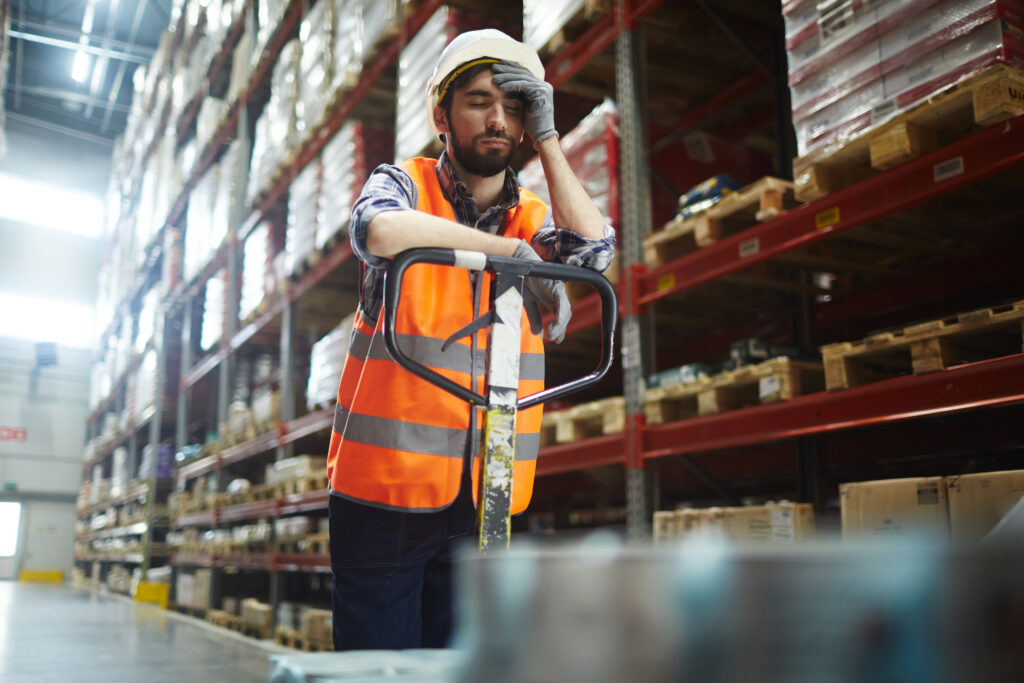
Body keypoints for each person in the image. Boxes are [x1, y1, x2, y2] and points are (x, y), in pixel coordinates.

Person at [325, 29, 616, 651]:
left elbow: (595, 251)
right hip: (383, 495)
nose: (496, 119)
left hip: (487, 497)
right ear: (441, 115)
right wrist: (506, 255)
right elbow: (375, 229)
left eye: (513, 107)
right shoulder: (403, 185)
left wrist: (547, 135)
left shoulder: (535, 216)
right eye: (479, 100)